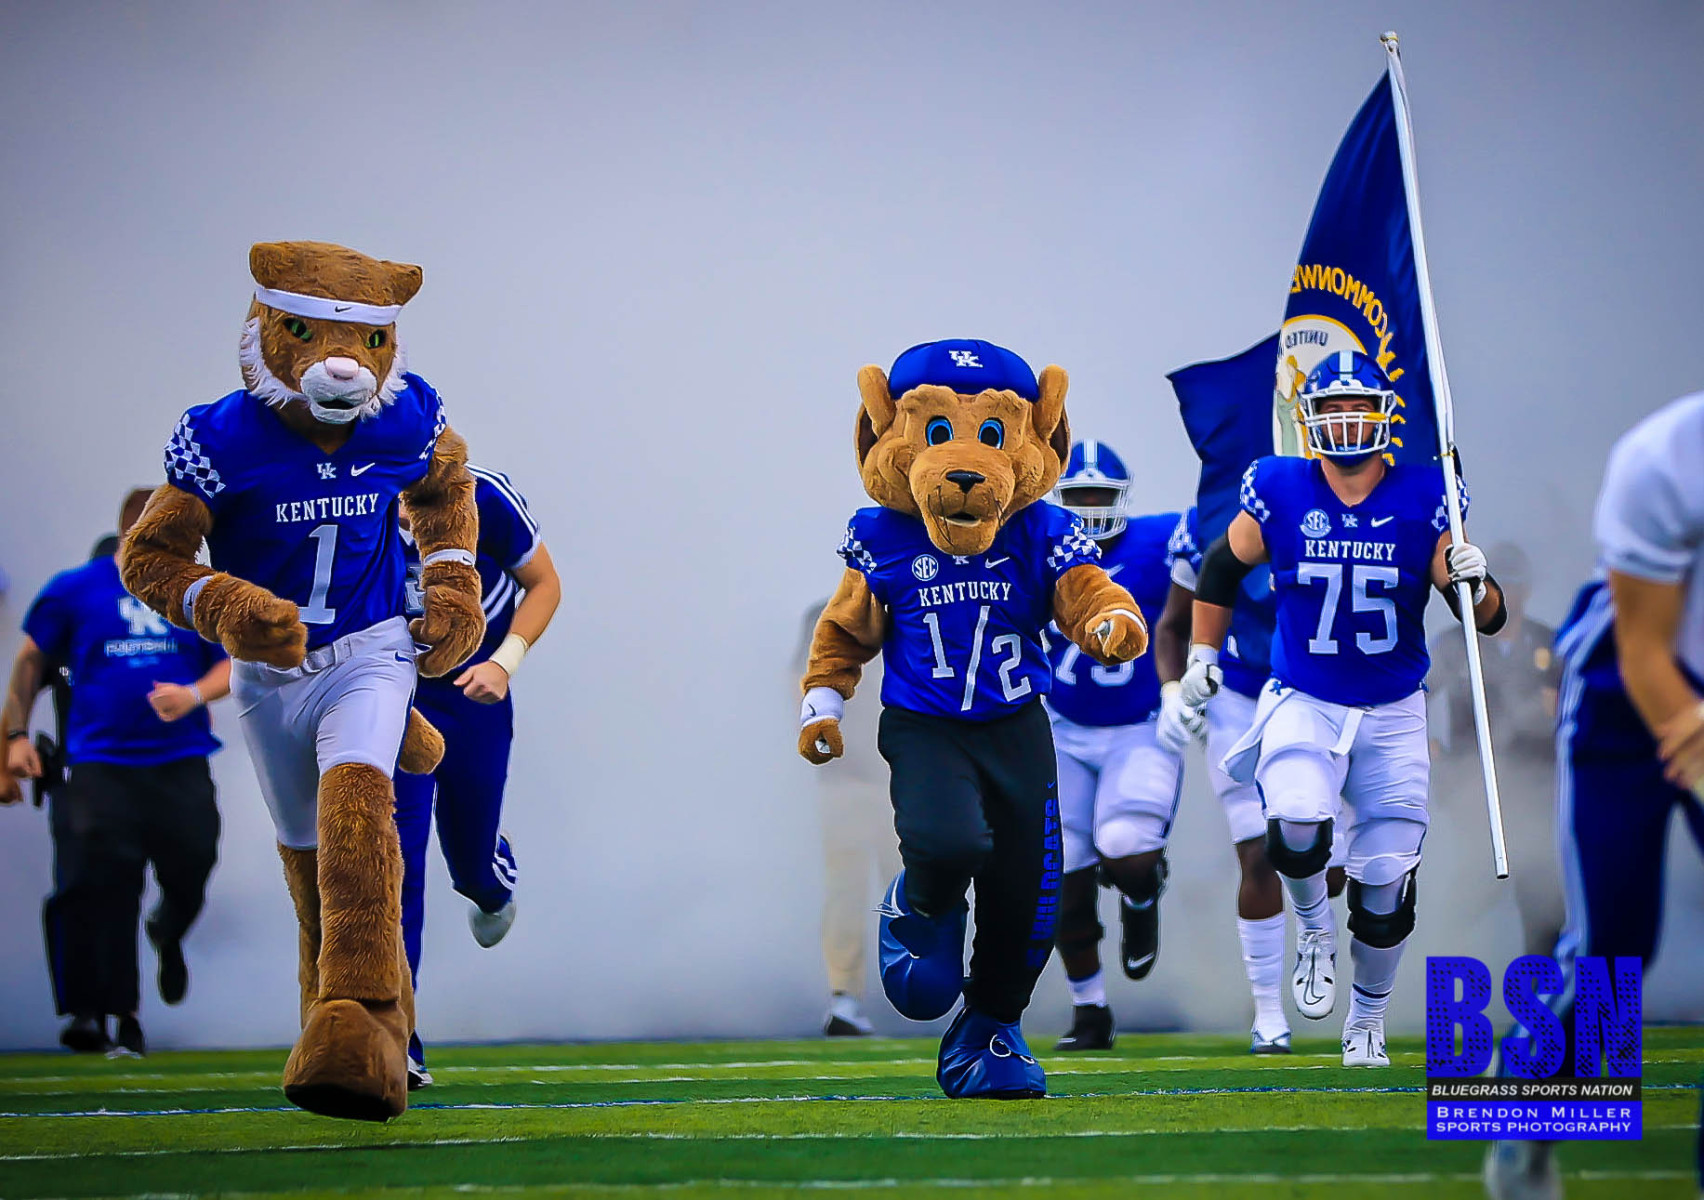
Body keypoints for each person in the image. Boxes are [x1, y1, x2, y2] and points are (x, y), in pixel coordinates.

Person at [797, 340, 1146, 1098]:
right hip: (926, 724)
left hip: (1017, 725)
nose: (962, 463)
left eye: (990, 435)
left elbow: (1083, 589)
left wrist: (1107, 619)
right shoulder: (881, 534)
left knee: (1031, 894)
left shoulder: (1041, 528)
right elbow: (847, 627)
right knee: (952, 840)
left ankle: (989, 1028)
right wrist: (824, 698)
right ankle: (921, 900)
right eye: (937, 433)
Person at [1181, 350, 1503, 1068]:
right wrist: (1202, 656)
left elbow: (1485, 620)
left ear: (1386, 417)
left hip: (1394, 709)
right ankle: (1313, 929)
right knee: (1295, 825)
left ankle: (1367, 1020)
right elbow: (1221, 568)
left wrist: (1477, 583)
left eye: (1359, 405)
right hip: (1305, 695)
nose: (1347, 419)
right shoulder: (1279, 486)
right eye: (1332, 407)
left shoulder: (1426, 494)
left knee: (1385, 883)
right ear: (1309, 418)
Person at [1484, 392, 1704, 1200]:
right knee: (1615, 951)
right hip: (1630, 700)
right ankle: (1527, 1104)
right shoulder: (1668, 458)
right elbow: (1647, 653)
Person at [3, 488, 230, 1056]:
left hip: (180, 764)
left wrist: (193, 694)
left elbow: (231, 663)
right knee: (99, 885)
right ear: (136, 531)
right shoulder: (74, 589)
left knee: (194, 862)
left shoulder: (194, 591)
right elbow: (30, 661)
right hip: (99, 766)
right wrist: (14, 739)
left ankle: (168, 929)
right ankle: (103, 1013)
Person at [393, 465, 560, 1087]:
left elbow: (544, 584)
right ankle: (397, 1038)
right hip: (391, 697)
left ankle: (492, 874)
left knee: (471, 868)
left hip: (471, 695)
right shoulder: (353, 493)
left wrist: (504, 662)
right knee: (397, 865)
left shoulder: (483, 494)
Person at [1159, 506, 1346, 1054]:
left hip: (1322, 691)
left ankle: (1316, 929)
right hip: (1237, 696)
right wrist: (1173, 689)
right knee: (1259, 852)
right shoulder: (1205, 520)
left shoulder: (1337, 509)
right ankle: (1267, 1013)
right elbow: (1173, 624)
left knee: (1329, 866)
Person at [1040, 440, 1180, 1052]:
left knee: (1126, 847)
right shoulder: (1038, 542)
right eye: (1080, 497)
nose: (1091, 510)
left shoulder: (1161, 540)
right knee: (1060, 873)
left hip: (1138, 724)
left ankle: (1141, 892)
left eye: (1101, 496)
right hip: (1062, 725)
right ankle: (1090, 1009)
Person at [1428, 543, 1564, 958]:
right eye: (1502, 583)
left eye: (1516, 584)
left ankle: (1540, 987)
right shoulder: (1456, 643)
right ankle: (1436, 967)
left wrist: (1552, 710)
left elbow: (1571, 707)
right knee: (1473, 888)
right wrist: (1431, 752)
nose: (1510, 592)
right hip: (1476, 786)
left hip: (1537, 784)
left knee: (1543, 897)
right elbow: (1414, 698)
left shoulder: (1549, 643)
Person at [794, 602, 898, 1038]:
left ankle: (923, 985)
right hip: (852, 782)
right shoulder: (825, 622)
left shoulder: (904, 610)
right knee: (849, 893)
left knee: (914, 889)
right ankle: (845, 995)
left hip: (896, 779)